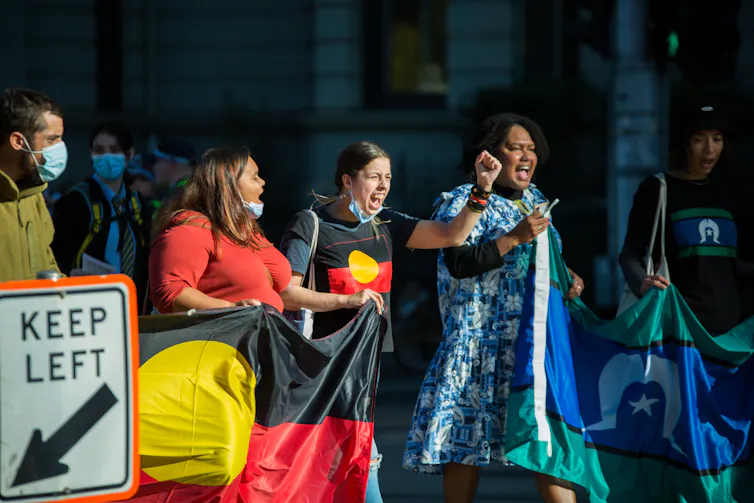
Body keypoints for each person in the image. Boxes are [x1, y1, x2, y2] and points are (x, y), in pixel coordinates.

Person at [279, 140, 502, 503]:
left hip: (367, 361)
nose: (383, 186)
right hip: (319, 361)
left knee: (347, 453)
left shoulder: (386, 224)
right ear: (348, 181)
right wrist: (347, 300)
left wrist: (483, 188)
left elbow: (452, 235)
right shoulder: (312, 223)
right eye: (373, 177)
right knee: (352, 453)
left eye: (388, 178)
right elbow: (287, 292)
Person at [402, 113, 584, 503]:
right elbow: (458, 262)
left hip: (531, 348)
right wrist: (514, 238)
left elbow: (543, 258)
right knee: (463, 447)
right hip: (477, 345)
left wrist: (567, 276)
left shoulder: (536, 200)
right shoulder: (460, 201)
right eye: (515, 147)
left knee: (545, 442)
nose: (526, 155)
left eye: (531, 148)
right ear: (490, 155)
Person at [620, 103, 746, 334]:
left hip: (731, 332)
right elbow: (630, 253)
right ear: (684, 143)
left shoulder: (732, 192)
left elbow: (739, 263)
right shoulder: (658, 189)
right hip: (677, 328)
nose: (709, 150)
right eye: (699, 140)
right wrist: (642, 283)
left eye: (717, 139)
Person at [149, 145, 290, 313]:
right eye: (255, 177)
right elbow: (170, 292)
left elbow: (284, 292)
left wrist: (329, 302)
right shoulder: (190, 230)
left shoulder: (245, 232)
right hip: (224, 337)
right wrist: (230, 308)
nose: (263, 182)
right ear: (229, 185)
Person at [51, 122, 151, 307]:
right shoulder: (76, 202)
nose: (106, 157)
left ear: (129, 155)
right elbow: (54, 257)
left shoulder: (137, 203)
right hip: (87, 305)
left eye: (114, 150)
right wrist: (68, 274)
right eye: (99, 150)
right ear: (91, 154)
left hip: (133, 308)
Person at [0, 87, 66, 281]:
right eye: (52, 139)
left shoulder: (34, 195)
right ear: (18, 141)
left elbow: (47, 265)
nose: (60, 148)